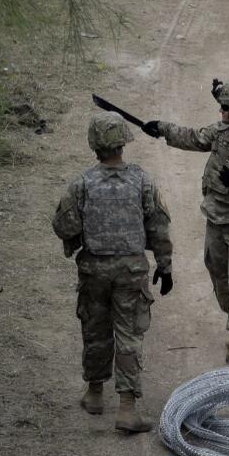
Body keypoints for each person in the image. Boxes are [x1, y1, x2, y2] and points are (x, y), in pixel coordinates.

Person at [141, 79, 229, 365]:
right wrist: (161, 129)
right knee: (220, 281)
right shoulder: (221, 132)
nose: (222, 112)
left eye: (227, 108)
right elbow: (195, 138)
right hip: (216, 220)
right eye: (221, 107)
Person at [53, 112, 174, 432]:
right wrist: (165, 265)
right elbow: (159, 226)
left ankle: (94, 394)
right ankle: (127, 407)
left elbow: (64, 225)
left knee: (95, 331)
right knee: (129, 335)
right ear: (123, 142)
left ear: (94, 145)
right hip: (131, 271)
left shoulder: (81, 183)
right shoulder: (143, 180)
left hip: (93, 269)